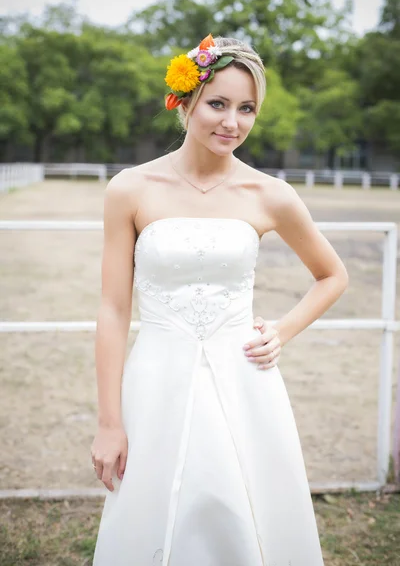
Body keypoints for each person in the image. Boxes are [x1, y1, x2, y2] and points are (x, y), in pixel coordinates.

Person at [91, 34, 348, 565]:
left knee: (245, 511)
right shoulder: (131, 190)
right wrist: (109, 423)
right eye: (218, 103)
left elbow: (332, 275)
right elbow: (114, 310)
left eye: (247, 108)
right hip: (156, 378)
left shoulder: (270, 195)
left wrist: (281, 330)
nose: (233, 122)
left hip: (244, 380)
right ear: (184, 103)